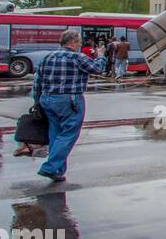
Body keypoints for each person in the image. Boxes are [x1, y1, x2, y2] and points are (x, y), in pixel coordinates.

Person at [25, 29, 110, 182]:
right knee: (69, 133)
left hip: (47, 98)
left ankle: (58, 170)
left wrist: (37, 101)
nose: (79, 45)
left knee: (55, 134)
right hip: (69, 99)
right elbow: (97, 69)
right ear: (72, 42)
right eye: (78, 42)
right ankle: (49, 167)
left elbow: (37, 81)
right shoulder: (77, 57)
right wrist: (101, 55)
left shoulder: (48, 57)